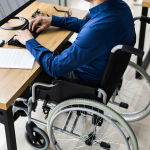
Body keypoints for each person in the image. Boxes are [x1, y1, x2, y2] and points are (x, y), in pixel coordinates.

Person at [13, 0, 135, 116]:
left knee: (29, 66)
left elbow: (55, 67)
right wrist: (53, 20)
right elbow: (88, 27)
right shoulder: (120, 7)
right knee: (53, 48)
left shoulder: (96, 30)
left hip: (83, 84)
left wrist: (29, 41)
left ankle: (20, 106)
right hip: (102, 71)